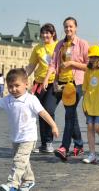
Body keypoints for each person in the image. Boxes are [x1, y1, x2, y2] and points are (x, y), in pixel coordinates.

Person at [0, 68, 59, 191]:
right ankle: (29, 180)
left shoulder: (31, 99)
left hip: (29, 138)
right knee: (23, 162)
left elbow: (43, 113)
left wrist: (53, 125)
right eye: (10, 86)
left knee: (19, 160)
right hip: (16, 137)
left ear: (26, 84)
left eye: (17, 86)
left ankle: (12, 184)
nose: (13, 89)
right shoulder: (7, 99)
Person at [44, 17, 88, 160]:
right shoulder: (60, 45)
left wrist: (72, 63)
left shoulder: (82, 44)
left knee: (69, 114)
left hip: (76, 84)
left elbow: (89, 66)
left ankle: (64, 147)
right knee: (71, 114)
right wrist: (51, 80)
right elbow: (53, 65)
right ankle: (79, 145)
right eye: (66, 27)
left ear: (76, 28)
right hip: (61, 83)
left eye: (71, 26)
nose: (68, 29)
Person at [25, 23, 59, 153]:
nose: (45, 35)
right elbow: (32, 65)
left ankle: (49, 141)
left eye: (47, 33)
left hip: (53, 83)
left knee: (49, 109)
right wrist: (23, 77)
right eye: (43, 33)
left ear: (53, 34)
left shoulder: (58, 46)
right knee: (40, 111)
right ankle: (44, 143)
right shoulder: (37, 48)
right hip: (38, 83)